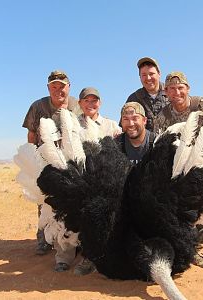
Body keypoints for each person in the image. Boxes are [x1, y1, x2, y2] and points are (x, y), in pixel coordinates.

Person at [154, 71, 203, 266]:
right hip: (181, 165)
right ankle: (190, 241)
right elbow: (162, 144)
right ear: (166, 92)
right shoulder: (162, 116)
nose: (176, 92)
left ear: (187, 88)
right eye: (171, 89)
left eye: (180, 88)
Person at [22, 70, 81, 267]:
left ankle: (72, 239)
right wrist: (32, 157)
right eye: (54, 86)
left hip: (71, 161)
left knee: (72, 202)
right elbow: (31, 134)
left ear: (68, 87)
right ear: (49, 88)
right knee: (45, 200)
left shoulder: (76, 106)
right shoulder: (38, 106)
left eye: (62, 86)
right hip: (44, 161)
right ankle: (43, 239)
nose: (58, 90)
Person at [73, 87, 121, 276]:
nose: (91, 104)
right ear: (80, 104)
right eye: (87, 101)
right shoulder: (73, 125)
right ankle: (88, 255)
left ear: (99, 103)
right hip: (83, 178)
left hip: (106, 179)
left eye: (94, 101)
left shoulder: (110, 125)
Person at [125, 57, 169, 131]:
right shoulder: (133, 98)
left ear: (159, 74)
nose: (148, 78)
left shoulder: (172, 92)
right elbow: (126, 126)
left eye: (151, 74)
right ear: (140, 77)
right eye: (144, 75)